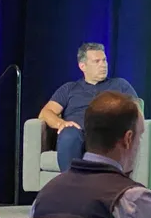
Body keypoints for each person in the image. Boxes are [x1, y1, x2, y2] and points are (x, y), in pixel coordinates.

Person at [38, 43, 139, 172]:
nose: (103, 65)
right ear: (82, 66)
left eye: (104, 60)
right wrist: (61, 123)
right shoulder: (70, 88)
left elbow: (137, 111)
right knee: (69, 133)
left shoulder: (120, 85)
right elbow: (45, 112)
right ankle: (71, 184)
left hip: (107, 134)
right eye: (97, 61)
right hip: (77, 134)